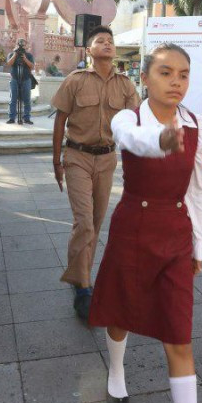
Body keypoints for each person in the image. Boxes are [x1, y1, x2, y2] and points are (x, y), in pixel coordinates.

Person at [88, 43, 202, 403]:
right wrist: (162, 139)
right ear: (144, 77)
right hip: (134, 228)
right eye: (166, 72)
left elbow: (198, 187)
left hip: (175, 232)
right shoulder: (128, 116)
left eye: (183, 74)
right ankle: (117, 372)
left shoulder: (195, 123)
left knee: (179, 334)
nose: (176, 82)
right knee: (122, 310)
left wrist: (199, 245)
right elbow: (134, 140)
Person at [51, 25, 140, 320]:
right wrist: (56, 161)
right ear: (88, 50)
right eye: (100, 41)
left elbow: (135, 122)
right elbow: (60, 121)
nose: (107, 44)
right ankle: (83, 288)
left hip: (106, 160)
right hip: (77, 156)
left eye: (110, 41)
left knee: (97, 223)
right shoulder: (74, 80)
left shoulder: (126, 85)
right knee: (85, 222)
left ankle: (81, 273)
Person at [5, 38, 34, 124]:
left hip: (26, 79)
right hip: (14, 79)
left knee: (27, 99)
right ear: (16, 45)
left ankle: (27, 118)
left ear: (26, 46)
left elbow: (32, 66)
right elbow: (9, 64)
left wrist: (25, 59)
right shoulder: (11, 54)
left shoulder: (29, 55)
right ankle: (12, 118)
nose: (21, 46)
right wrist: (15, 55)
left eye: (23, 45)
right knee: (13, 99)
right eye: (19, 44)